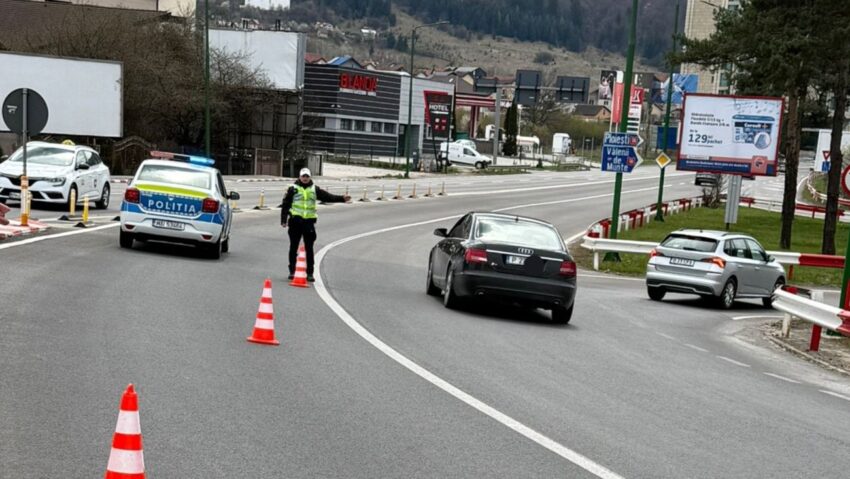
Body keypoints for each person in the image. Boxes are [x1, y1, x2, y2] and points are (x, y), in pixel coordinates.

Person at [280, 168, 350, 281]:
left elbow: (328, 197)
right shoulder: (292, 189)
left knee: (309, 248)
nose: (305, 178)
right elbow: (285, 204)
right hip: (295, 222)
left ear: (310, 177)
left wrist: (342, 198)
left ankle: (310, 273)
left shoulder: (314, 189)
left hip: (308, 222)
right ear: (299, 177)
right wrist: (283, 220)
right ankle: (292, 271)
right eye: (303, 176)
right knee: (293, 247)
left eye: (307, 176)